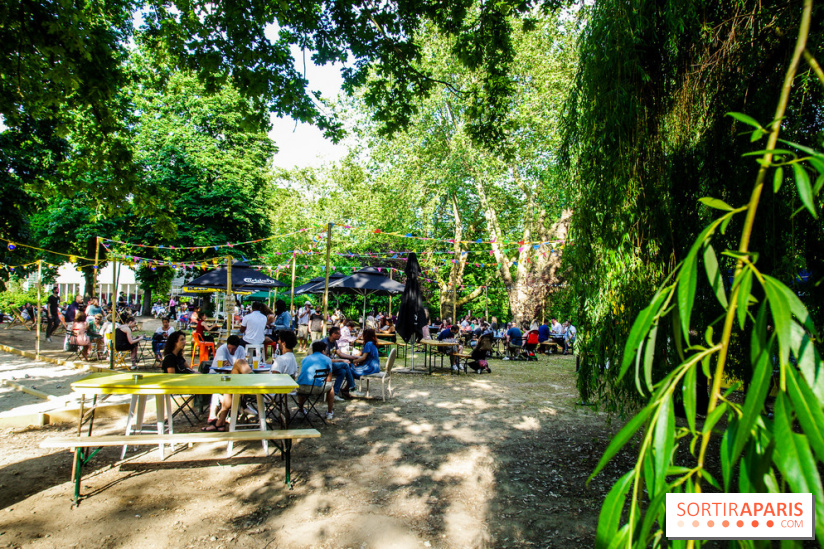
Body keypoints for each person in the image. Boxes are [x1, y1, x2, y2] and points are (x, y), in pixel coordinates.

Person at [203, 357, 254, 431]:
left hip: (259, 386)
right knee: (230, 387)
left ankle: (220, 422)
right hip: (252, 384)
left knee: (239, 362)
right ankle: (220, 422)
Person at [295, 341, 335, 420]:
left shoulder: (305, 359)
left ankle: (301, 410)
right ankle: (329, 412)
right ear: (323, 351)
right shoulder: (327, 359)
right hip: (316, 388)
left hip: (300, 388)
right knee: (331, 388)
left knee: (304, 382)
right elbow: (329, 379)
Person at [320, 327, 357, 400]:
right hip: (324, 366)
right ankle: (352, 386)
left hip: (331, 365)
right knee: (345, 365)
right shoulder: (325, 343)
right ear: (333, 334)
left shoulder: (334, 342)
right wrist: (342, 361)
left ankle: (334, 393)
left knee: (342, 372)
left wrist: (353, 357)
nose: (340, 335)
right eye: (339, 334)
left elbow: (340, 353)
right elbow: (327, 360)